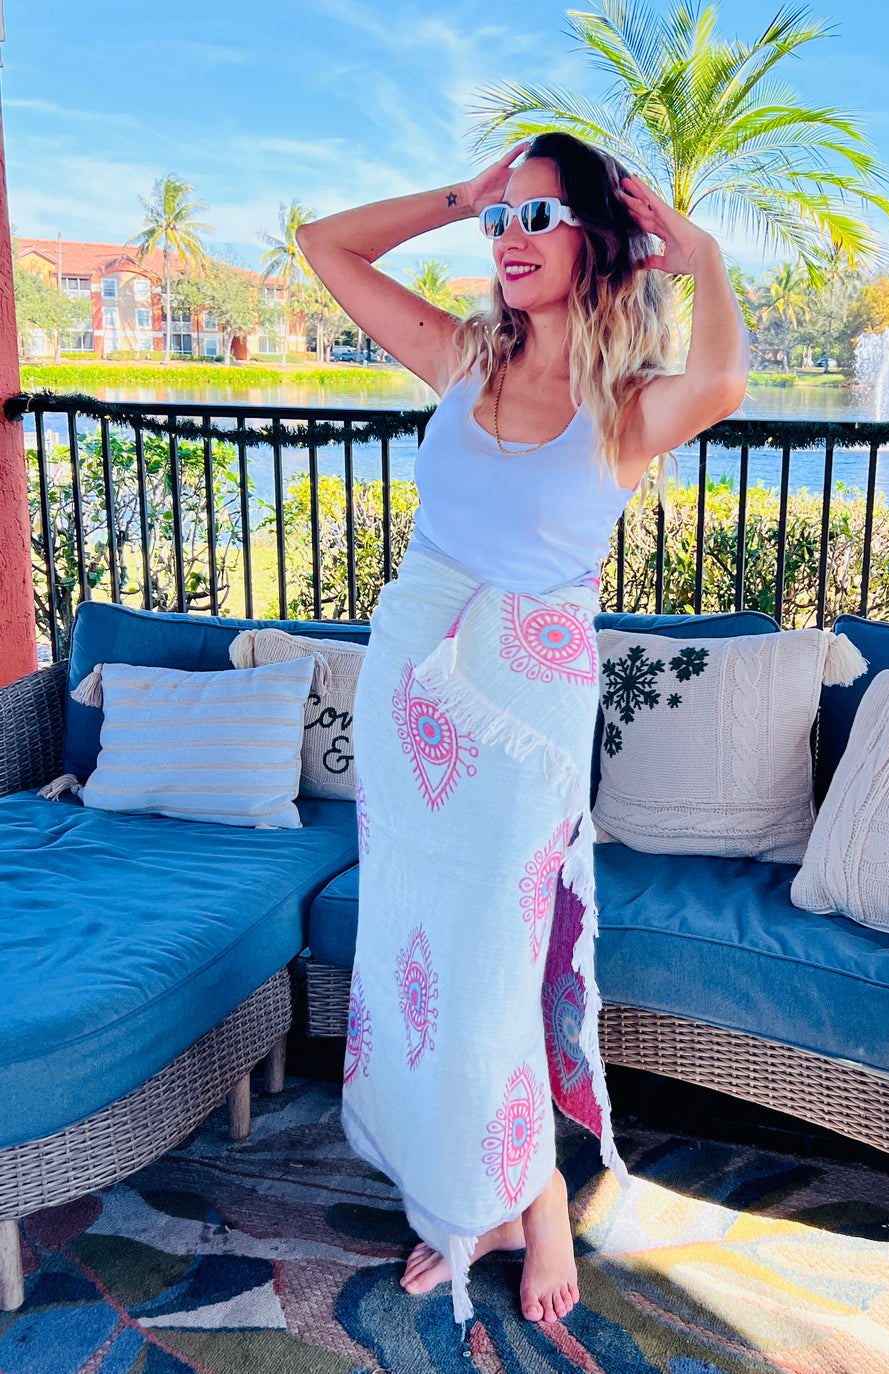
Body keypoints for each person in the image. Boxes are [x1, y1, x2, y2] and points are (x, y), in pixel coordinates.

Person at [297, 131, 748, 1332]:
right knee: (418, 960)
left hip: (521, 720)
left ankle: (534, 1190)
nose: (511, 238)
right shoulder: (460, 357)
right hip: (409, 696)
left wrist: (699, 254)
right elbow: (323, 246)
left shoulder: (624, 407)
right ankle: (469, 1196)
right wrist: (465, 194)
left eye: (542, 217)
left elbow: (722, 381)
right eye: (506, 220)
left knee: (494, 963)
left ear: (598, 239)